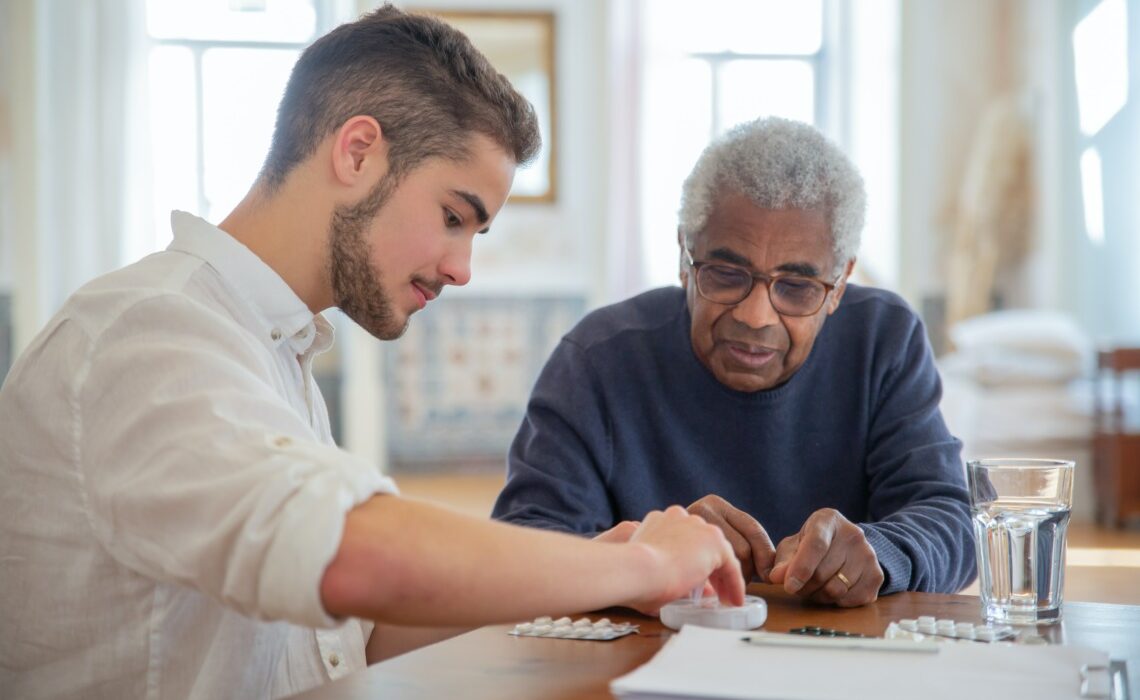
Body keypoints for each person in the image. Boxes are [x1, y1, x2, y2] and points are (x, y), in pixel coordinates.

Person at [0, 6, 744, 698]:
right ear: (357, 151)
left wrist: (592, 576)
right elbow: (353, 555)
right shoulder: (146, 333)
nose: (462, 268)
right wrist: (637, 562)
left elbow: (355, 632)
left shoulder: (269, 349)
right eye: (453, 216)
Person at [493, 116, 977, 608]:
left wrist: (882, 550)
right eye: (726, 274)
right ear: (684, 257)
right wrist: (650, 555)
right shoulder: (598, 359)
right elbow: (523, 549)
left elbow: (951, 520)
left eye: (797, 287)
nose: (754, 315)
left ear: (840, 283)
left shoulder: (884, 342)